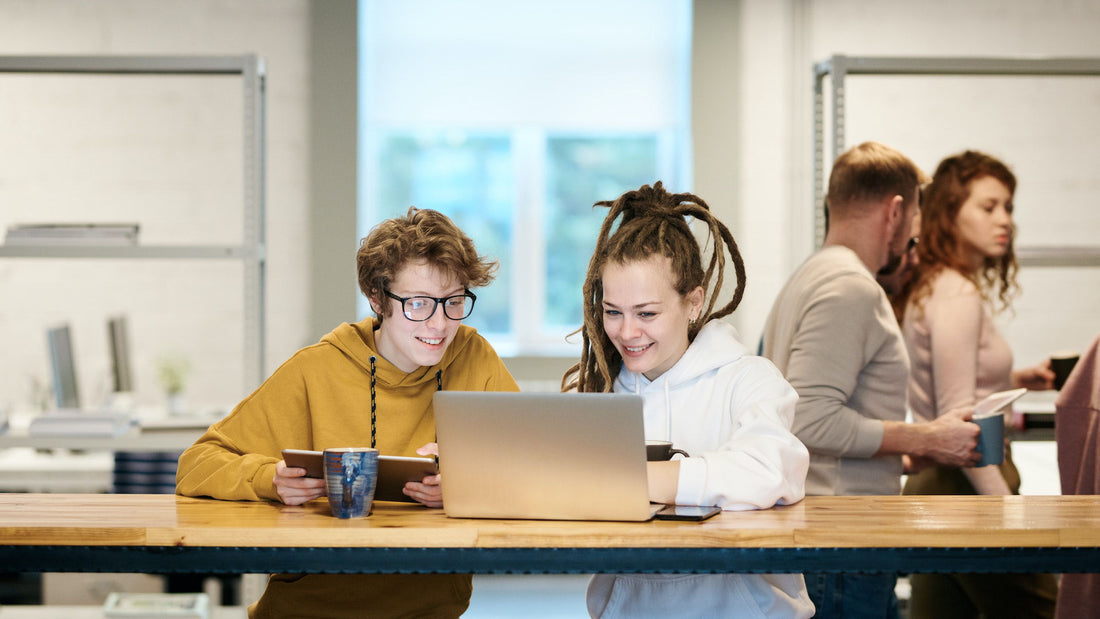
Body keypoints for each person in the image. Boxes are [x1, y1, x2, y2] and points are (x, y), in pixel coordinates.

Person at [176, 207, 519, 619]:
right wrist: (269, 479)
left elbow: (535, 466)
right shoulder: (315, 369)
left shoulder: (475, 358)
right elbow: (196, 464)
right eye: (419, 304)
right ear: (377, 298)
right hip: (308, 612)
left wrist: (468, 485)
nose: (440, 323)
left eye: (454, 302)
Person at [562, 181, 814, 618]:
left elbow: (771, 471)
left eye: (647, 313)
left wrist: (637, 479)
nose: (626, 332)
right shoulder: (599, 393)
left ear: (693, 302)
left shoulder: (749, 379)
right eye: (612, 312)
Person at [760, 141, 981, 619]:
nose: (915, 237)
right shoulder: (850, 288)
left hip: (827, 533)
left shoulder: (810, 277)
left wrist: (900, 453)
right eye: (917, 219)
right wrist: (930, 437)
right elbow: (809, 419)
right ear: (897, 210)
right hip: (841, 540)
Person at [900, 150, 1058, 618]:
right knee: (1045, 609)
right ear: (949, 214)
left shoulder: (935, 285)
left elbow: (948, 383)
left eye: (1008, 207)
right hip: (967, 483)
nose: (1004, 220)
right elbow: (959, 417)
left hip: (942, 488)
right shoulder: (956, 294)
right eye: (988, 207)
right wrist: (1010, 513)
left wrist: (1014, 379)